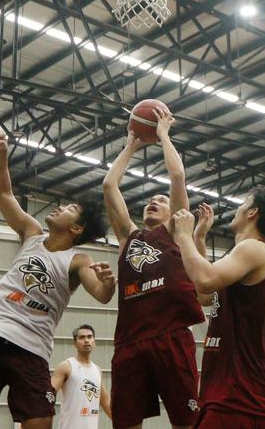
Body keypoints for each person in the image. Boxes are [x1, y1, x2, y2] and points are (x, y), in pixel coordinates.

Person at [0, 131, 115, 429]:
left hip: (31, 347)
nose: (59, 207)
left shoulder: (78, 260)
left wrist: (108, 282)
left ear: (77, 229)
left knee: (39, 424)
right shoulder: (31, 234)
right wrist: (2, 153)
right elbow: (3, 194)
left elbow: (101, 293)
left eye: (69, 209)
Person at [102, 109, 210, 429]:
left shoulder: (178, 232)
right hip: (130, 342)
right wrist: (130, 147)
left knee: (187, 422)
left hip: (171, 336)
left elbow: (177, 177)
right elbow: (110, 186)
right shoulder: (129, 238)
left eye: (161, 201)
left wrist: (163, 135)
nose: (154, 201)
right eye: (149, 199)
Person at [171, 187, 265, 429]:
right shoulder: (243, 254)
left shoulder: (254, 249)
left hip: (240, 395)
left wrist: (183, 236)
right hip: (226, 391)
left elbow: (205, 280)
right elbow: (205, 295)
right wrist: (197, 239)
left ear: (252, 212)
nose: (237, 208)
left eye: (243, 202)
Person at [52, 324, 111, 429]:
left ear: (94, 342)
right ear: (75, 343)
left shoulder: (97, 371)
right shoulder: (66, 367)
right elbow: (49, 395)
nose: (86, 340)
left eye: (89, 337)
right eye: (82, 337)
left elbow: (106, 402)